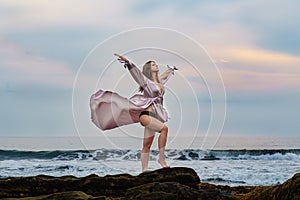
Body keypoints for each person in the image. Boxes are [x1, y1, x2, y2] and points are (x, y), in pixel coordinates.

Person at [90, 53, 178, 172]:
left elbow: (165, 76)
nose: (156, 65)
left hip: (154, 116)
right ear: (148, 69)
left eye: (156, 64)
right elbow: (137, 74)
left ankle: (144, 170)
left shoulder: (159, 82)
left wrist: (171, 69)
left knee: (146, 145)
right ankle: (161, 159)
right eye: (153, 64)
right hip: (146, 115)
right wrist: (129, 63)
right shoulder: (146, 82)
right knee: (164, 129)